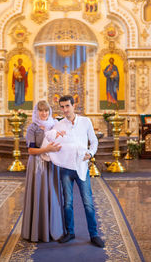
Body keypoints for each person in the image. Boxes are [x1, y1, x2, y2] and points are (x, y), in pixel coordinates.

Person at [53, 95, 105, 248]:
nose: (64, 110)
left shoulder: (85, 121)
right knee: (67, 203)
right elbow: (53, 142)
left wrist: (91, 152)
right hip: (66, 169)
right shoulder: (59, 125)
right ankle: (70, 232)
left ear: (74, 106)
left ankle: (94, 234)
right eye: (62, 107)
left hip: (82, 167)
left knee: (88, 202)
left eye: (67, 106)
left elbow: (94, 140)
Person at [21, 100, 64, 242]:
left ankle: (53, 229)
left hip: (51, 163)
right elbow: (31, 150)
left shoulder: (54, 125)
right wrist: (46, 150)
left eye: (46, 111)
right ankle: (37, 231)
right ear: (36, 112)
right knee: (39, 194)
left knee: (52, 194)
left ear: (49, 112)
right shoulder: (32, 128)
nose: (44, 113)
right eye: (41, 111)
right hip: (37, 165)